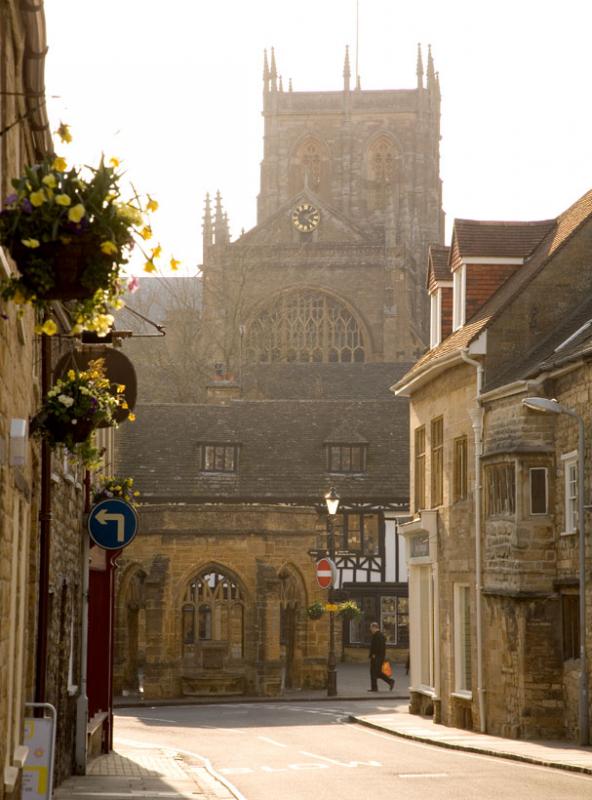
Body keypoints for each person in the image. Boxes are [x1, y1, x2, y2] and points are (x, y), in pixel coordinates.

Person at [368, 621, 394, 692]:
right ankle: (375, 688)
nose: (370, 630)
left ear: (374, 627)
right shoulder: (380, 635)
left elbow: (377, 647)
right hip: (379, 657)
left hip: (377, 657)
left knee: (375, 672)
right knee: (375, 672)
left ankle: (390, 681)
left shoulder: (377, 636)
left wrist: (374, 654)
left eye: (371, 628)